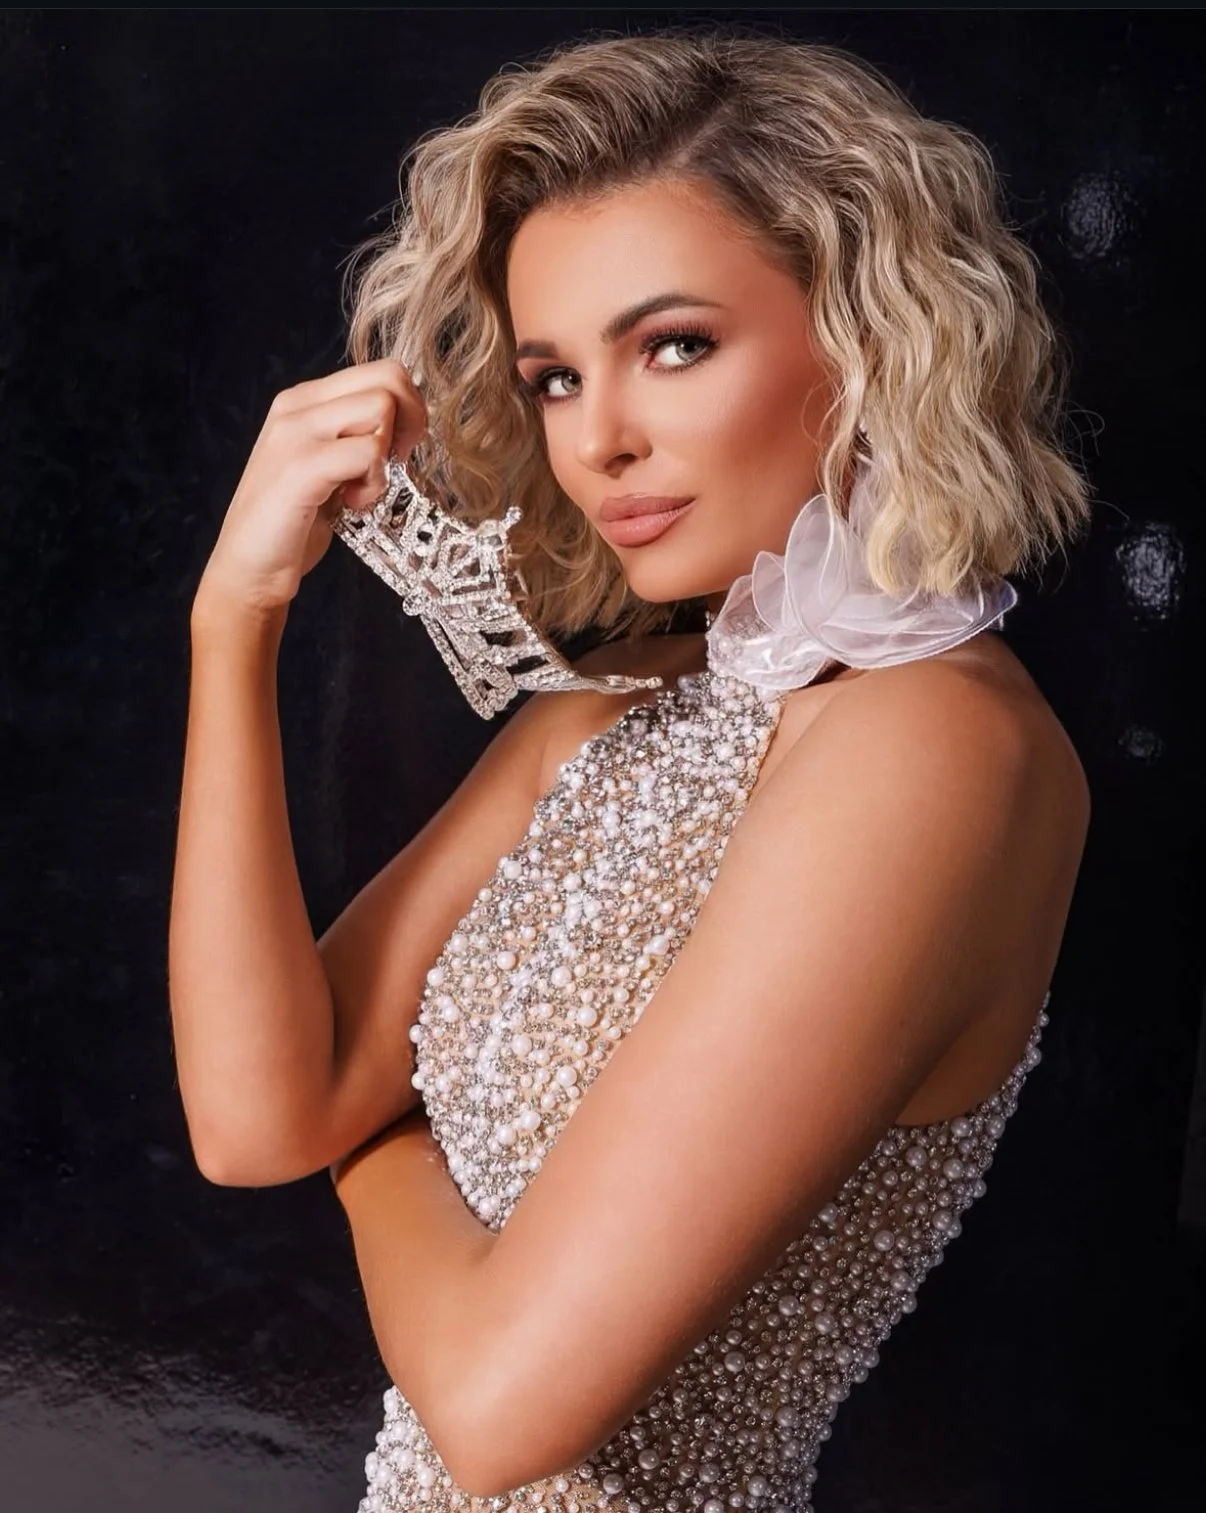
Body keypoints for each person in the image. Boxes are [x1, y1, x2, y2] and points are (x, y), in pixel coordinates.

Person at [168, 26, 1093, 1513]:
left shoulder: (936, 748)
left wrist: (383, 1130)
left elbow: (495, 1404)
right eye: (550, 376)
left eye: (673, 345)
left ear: (862, 336)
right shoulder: (619, 711)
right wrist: (233, 623)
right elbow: (256, 1119)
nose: (600, 439)